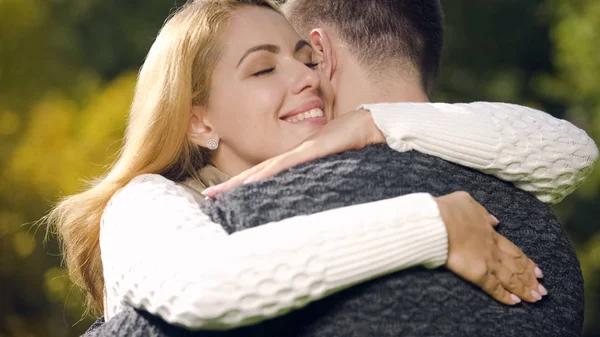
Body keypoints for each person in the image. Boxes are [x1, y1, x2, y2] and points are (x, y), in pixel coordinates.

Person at [60, 0, 596, 335]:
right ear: (199, 123)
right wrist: (434, 227)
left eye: (307, 58)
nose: (309, 78)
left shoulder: (339, 165)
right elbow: (206, 284)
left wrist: (372, 120)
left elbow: (568, 152)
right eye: (265, 68)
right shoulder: (145, 202)